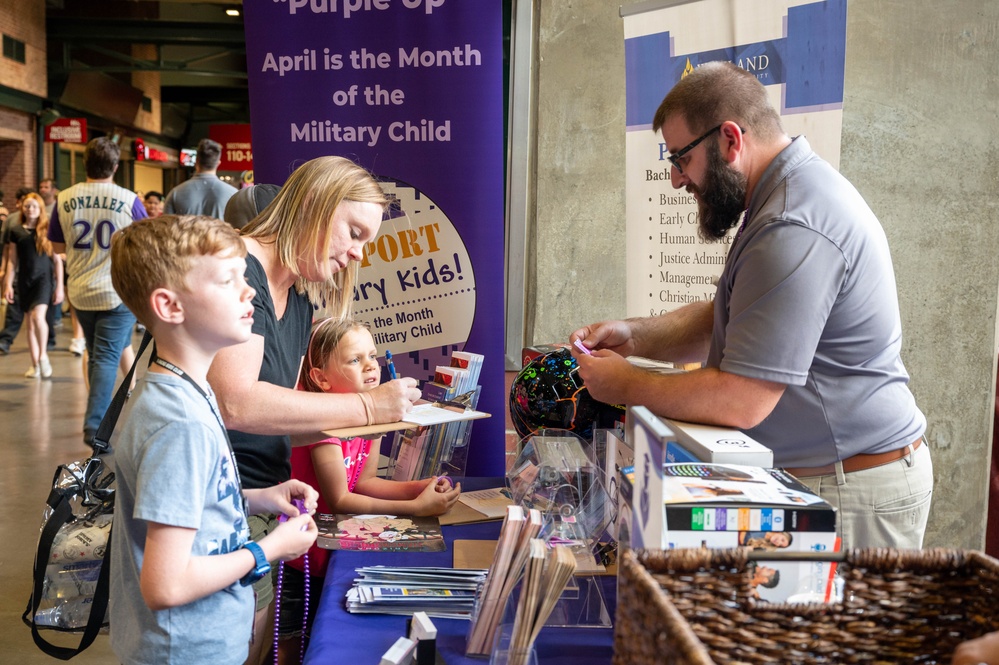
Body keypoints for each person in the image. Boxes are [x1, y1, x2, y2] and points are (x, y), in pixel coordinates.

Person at [570, 61, 931, 551]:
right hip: (826, 478)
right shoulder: (776, 197)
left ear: (730, 141)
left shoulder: (792, 223)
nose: (677, 180)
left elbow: (742, 398)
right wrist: (636, 336)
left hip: (852, 490)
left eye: (680, 159)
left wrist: (627, 384)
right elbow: (737, 315)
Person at [206, 155, 421, 664]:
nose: (356, 254)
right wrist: (367, 407)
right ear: (315, 203)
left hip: (257, 505)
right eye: (353, 231)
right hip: (208, 511)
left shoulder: (298, 299)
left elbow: (277, 422)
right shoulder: (240, 271)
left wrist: (382, 419)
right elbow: (236, 402)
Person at [107, 214, 319, 665]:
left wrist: (258, 498)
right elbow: (166, 585)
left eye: (245, 277)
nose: (249, 292)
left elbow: (184, 503)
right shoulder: (179, 423)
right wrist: (268, 549)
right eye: (228, 280)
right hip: (184, 648)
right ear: (169, 306)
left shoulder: (184, 387)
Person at [276, 317, 461, 663]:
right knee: (290, 646)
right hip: (303, 560)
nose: (371, 366)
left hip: (333, 550)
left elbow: (365, 481)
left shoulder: (373, 415)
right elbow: (340, 499)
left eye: (372, 355)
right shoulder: (324, 427)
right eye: (354, 359)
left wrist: (417, 488)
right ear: (320, 378)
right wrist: (417, 508)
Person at [49, 136, 147, 448]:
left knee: (98, 355)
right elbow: (145, 243)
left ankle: (100, 416)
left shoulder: (64, 199)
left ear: (84, 164)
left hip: (80, 290)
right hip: (116, 290)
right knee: (105, 356)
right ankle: (95, 425)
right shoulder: (128, 199)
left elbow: (57, 247)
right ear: (116, 167)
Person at [2, 193, 63, 378]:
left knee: (38, 317)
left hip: (43, 280)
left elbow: (58, 261)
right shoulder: (16, 230)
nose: (30, 210)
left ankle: (43, 356)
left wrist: (59, 286)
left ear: (40, 208)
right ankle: (35, 364)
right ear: (22, 208)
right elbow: (12, 261)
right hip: (24, 280)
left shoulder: (47, 230)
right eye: (27, 206)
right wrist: (7, 284)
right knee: (29, 324)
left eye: (34, 206)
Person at [164, 138, 237, 218]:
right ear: (218, 163)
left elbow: (166, 227)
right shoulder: (233, 194)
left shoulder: (175, 193)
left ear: (196, 161)